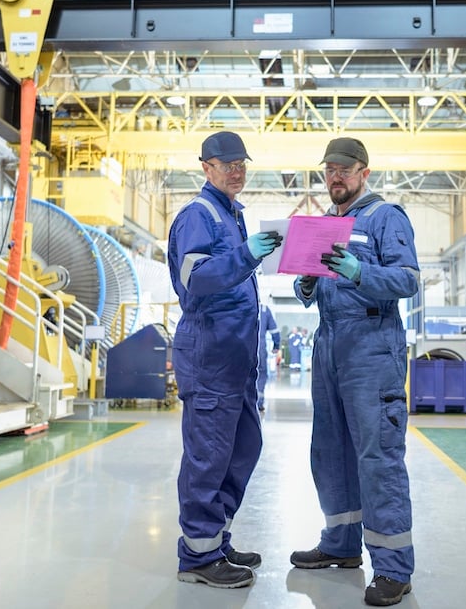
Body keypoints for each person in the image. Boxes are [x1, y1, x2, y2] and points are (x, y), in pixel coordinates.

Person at [290, 137, 420, 606]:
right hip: (329, 345)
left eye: (344, 169)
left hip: (371, 347)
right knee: (331, 451)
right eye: (329, 170)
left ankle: (393, 567)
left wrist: (358, 271)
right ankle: (342, 545)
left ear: (364, 172)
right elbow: (314, 292)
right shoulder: (324, 225)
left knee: (377, 454)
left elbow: (407, 280)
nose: (335, 177)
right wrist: (307, 283)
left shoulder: (386, 217)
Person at [167, 130, 283, 589]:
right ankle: (197, 556)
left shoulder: (231, 216)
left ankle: (215, 537)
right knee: (208, 458)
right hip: (210, 357)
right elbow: (197, 278)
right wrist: (246, 254)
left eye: (241, 163)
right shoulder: (199, 215)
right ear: (206, 167)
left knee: (242, 450)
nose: (236, 170)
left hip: (237, 363)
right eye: (226, 163)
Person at [256, 303, 280, 412]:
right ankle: (258, 403)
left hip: (241, 346)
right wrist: (276, 344)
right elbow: (274, 330)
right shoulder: (264, 309)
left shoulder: (238, 303)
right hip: (259, 346)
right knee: (260, 374)